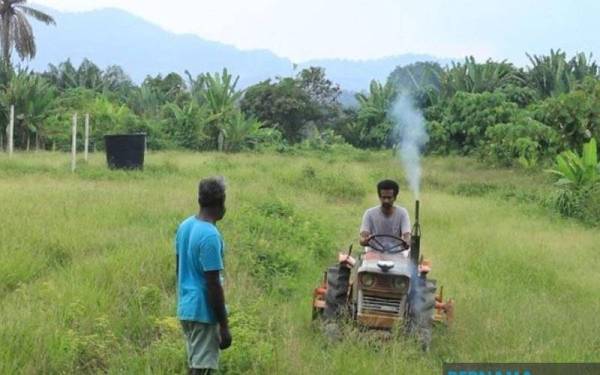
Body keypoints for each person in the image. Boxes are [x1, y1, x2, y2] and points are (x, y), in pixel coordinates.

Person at [175, 177, 232, 374]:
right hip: (203, 313)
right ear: (221, 202)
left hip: (186, 308)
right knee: (203, 370)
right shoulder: (210, 236)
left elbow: (179, 268)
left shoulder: (185, 226)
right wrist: (224, 327)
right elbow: (213, 284)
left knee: (195, 366)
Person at [359, 179, 411, 252]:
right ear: (379, 197)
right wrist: (365, 241)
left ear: (395, 197)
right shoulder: (369, 213)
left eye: (389, 198)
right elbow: (363, 237)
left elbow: (407, 235)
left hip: (396, 253)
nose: (386, 201)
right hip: (374, 253)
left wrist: (407, 242)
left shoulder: (402, 213)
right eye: (384, 197)